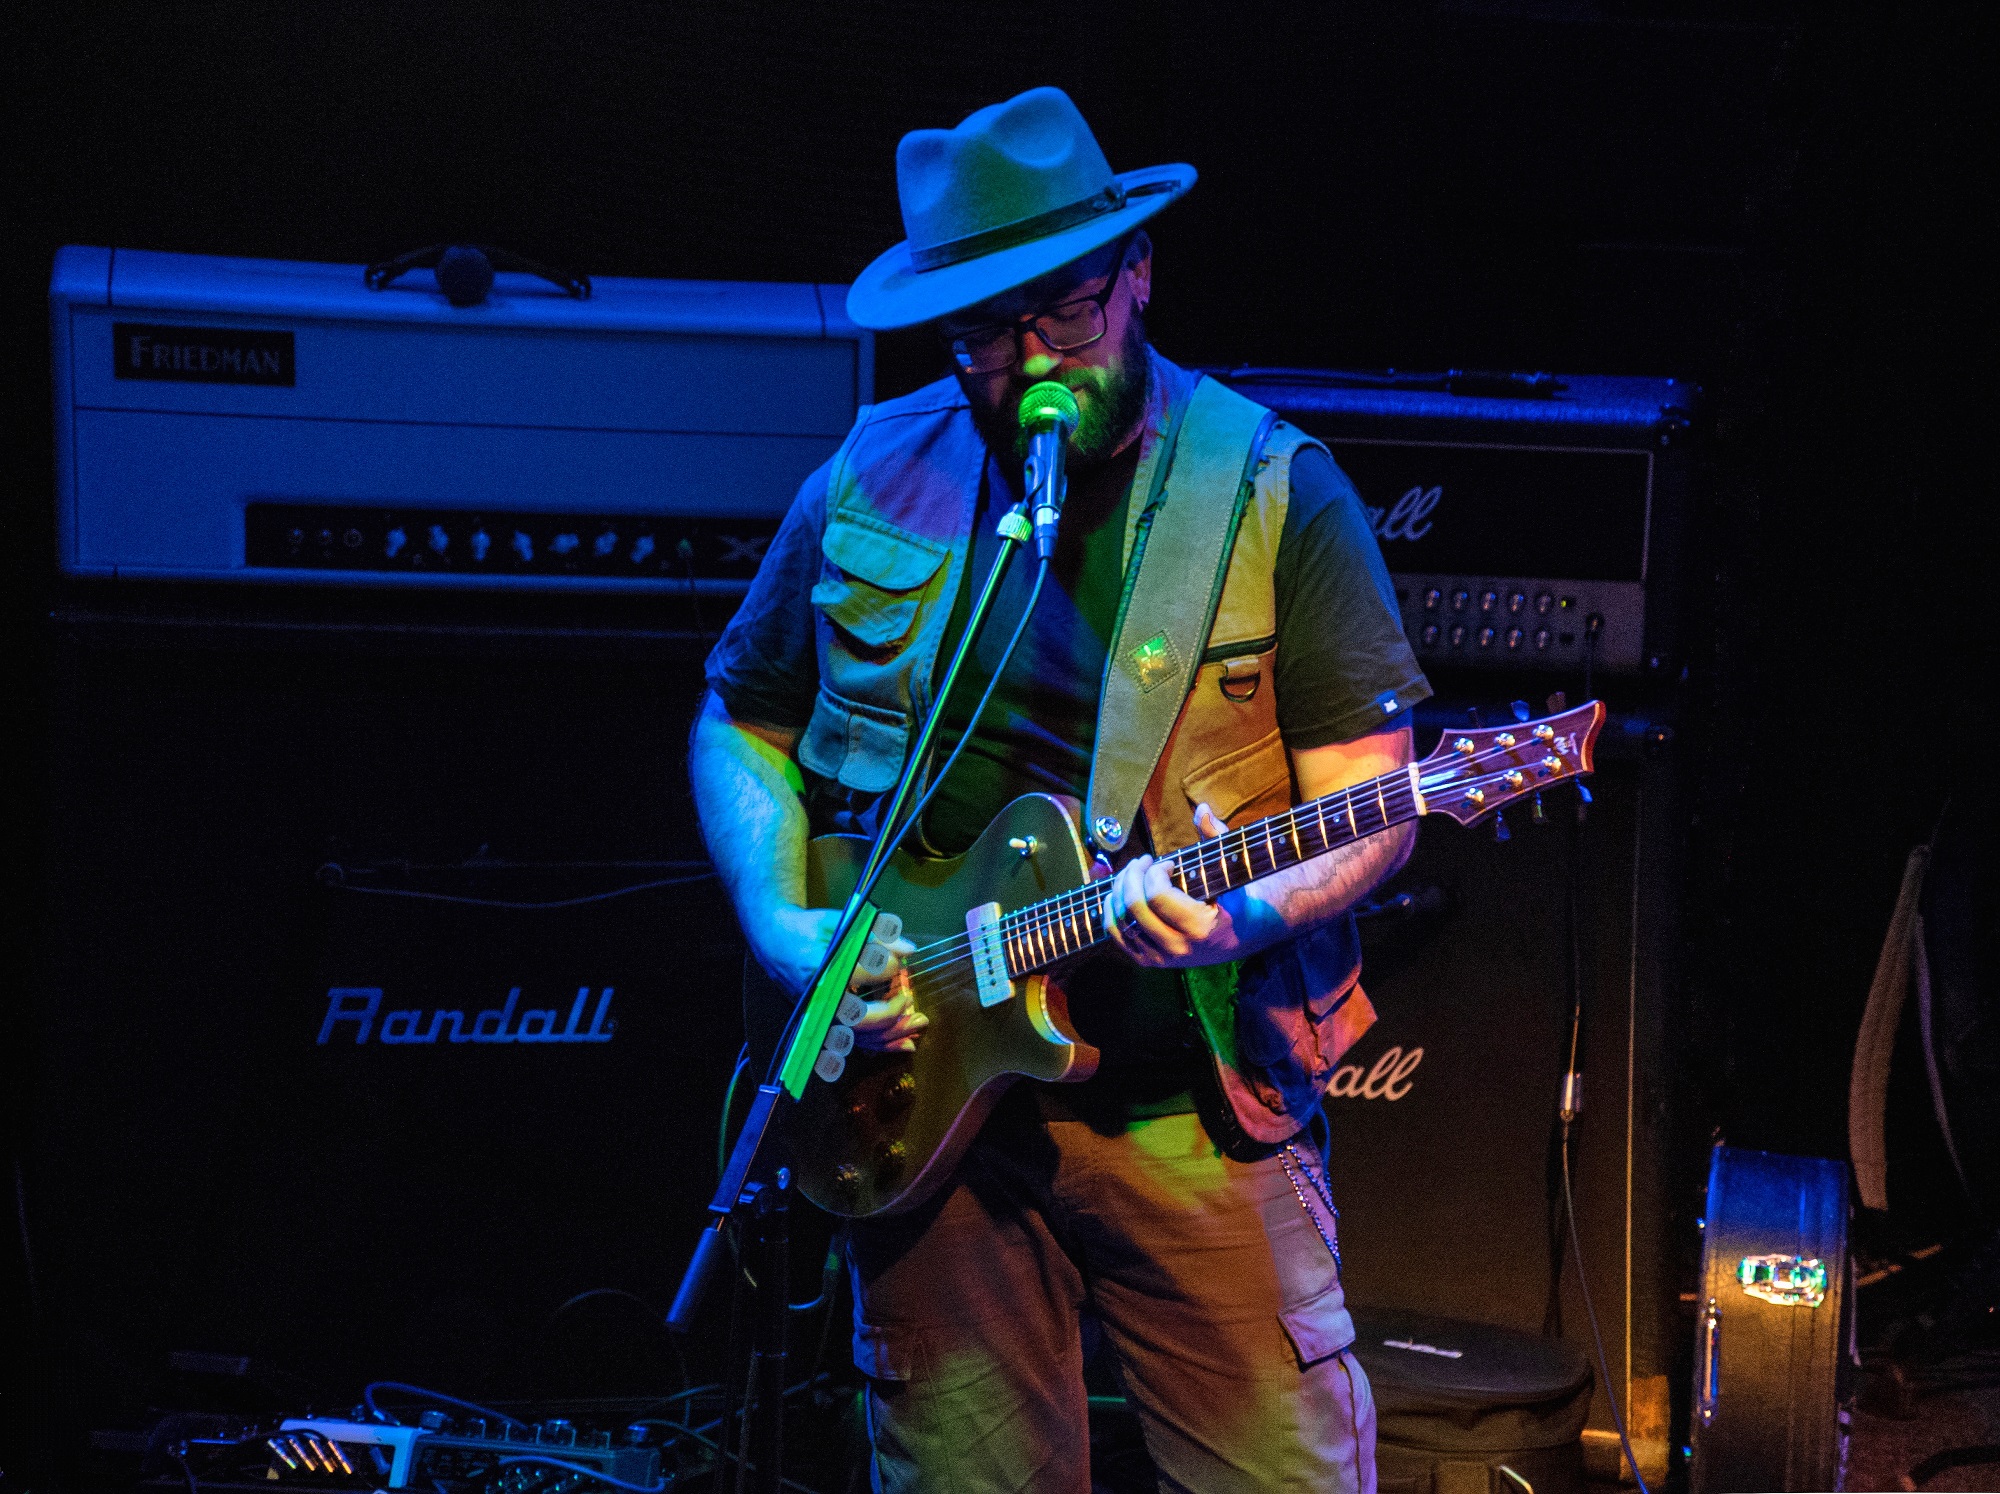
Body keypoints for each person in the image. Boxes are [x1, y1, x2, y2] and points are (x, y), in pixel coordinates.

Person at [690, 86, 1431, 1494]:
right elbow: (741, 721)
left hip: (1190, 1108)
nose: (1031, 362)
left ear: (1137, 275)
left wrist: (1239, 916)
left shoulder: (1273, 490)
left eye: (1066, 314)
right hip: (922, 1112)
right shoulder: (869, 477)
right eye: (984, 331)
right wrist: (788, 928)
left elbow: (1376, 803)